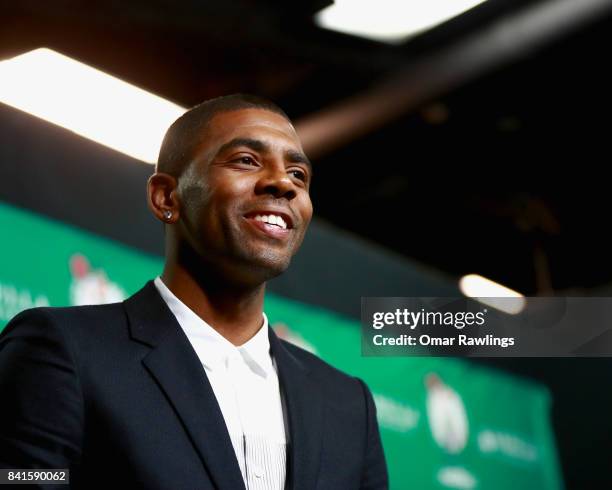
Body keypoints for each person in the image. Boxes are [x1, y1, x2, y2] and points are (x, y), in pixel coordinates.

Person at [0, 94, 389, 489]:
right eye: (246, 160)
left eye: (298, 175)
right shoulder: (64, 349)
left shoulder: (347, 404)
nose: (282, 184)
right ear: (166, 197)